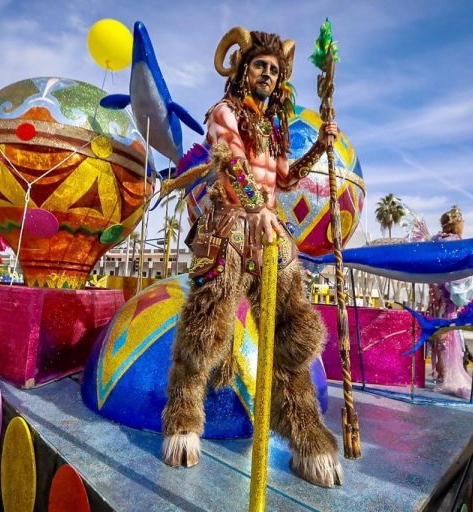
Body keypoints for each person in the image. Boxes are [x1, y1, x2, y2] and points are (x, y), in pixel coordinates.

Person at [161, 27, 342, 488]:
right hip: (229, 224)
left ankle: (305, 437)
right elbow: (230, 163)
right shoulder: (224, 112)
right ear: (243, 69)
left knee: (291, 331)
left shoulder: (273, 126)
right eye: (260, 65)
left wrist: (321, 146)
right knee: (206, 325)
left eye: (275, 69)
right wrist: (257, 209)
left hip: (268, 225)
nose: (268, 73)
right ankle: (182, 418)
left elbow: (282, 179)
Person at [428, 206, 473, 398]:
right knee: (448, 334)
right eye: (462, 222)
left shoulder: (435, 242)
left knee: (440, 334)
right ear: (456, 224)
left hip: (436, 295)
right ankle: (449, 376)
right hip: (448, 297)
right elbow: (458, 272)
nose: (464, 225)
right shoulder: (455, 242)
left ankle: (442, 373)